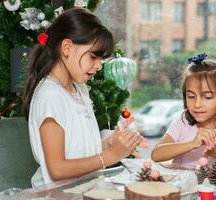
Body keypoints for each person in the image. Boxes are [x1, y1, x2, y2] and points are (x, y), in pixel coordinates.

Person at [23, 8, 143, 188]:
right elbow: (57, 170)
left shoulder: (78, 89)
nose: (98, 66)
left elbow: (78, 150)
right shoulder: (51, 96)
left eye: (101, 59)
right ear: (67, 48)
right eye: (93, 57)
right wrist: (110, 156)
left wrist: (111, 143)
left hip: (85, 190)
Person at [151, 53, 216, 172]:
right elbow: (156, 155)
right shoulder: (182, 124)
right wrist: (192, 144)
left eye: (208, 97)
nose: (197, 104)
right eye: (191, 96)